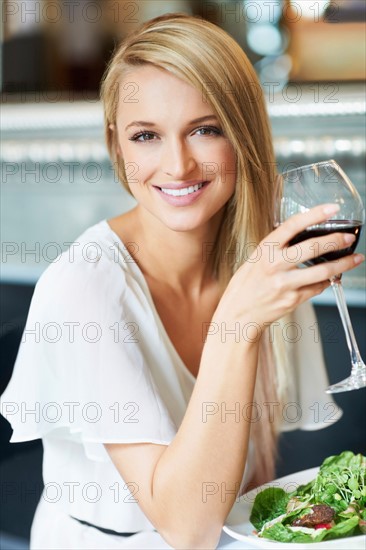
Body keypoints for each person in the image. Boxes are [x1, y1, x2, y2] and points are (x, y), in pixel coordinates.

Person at [1, 13, 363, 550]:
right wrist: (235, 325)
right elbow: (184, 530)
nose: (177, 165)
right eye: (146, 135)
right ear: (117, 145)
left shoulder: (262, 264)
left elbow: (246, 488)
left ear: (242, 133)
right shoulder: (85, 287)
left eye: (205, 129)